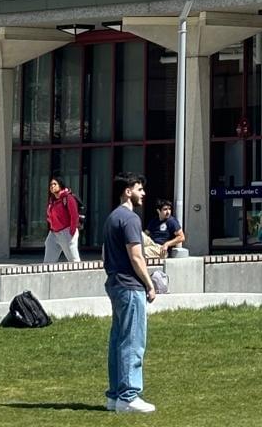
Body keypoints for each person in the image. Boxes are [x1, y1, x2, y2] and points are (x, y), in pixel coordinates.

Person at [103, 171, 157, 414]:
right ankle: (128, 396)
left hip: (115, 283)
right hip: (130, 286)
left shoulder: (112, 218)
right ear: (128, 191)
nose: (143, 193)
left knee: (118, 340)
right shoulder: (130, 218)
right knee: (133, 341)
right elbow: (136, 256)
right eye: (139, 189)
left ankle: (115, 396)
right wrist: (149, 284)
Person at [45, 176, 82, 264]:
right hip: (54, 233)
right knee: (47, 263)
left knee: (74, 262)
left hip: (66, 232)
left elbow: (74, 215)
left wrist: (71, 232)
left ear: (60, 185)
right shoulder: (52, 200)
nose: (52, 186)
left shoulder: (68, 198)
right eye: (51, 184)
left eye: (55, 184)